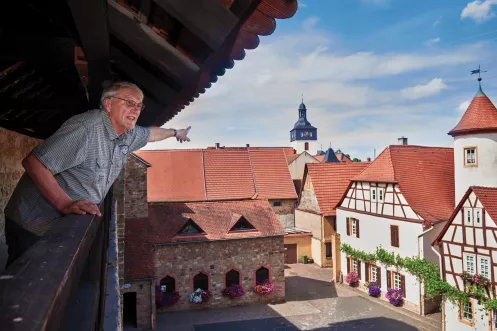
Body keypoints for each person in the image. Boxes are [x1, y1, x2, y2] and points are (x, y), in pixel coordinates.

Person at [2, 81, 191, 268]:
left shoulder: (127, 134)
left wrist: (176, 132)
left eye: (139, 105)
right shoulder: (86, 128)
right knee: (25, 285)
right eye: (128, 102)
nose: (136, 109)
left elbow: (150, 134)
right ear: (108, 104)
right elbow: (34, 163)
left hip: (61, 227)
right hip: (32, 224)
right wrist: (65, 203)